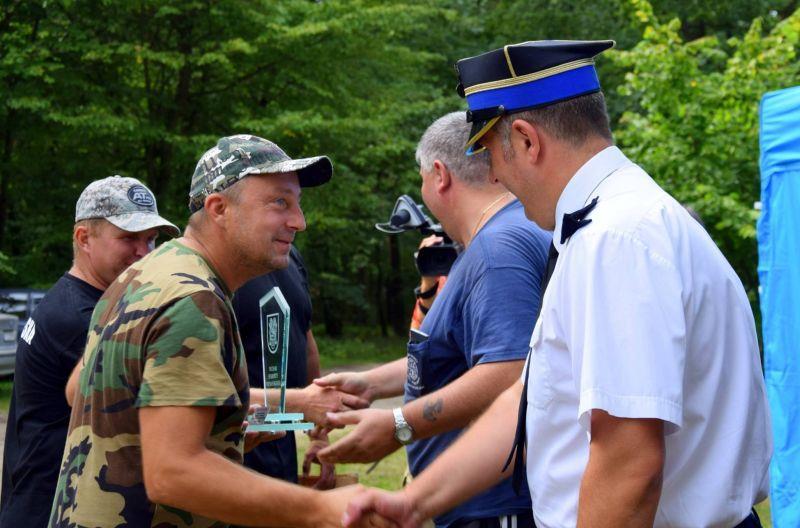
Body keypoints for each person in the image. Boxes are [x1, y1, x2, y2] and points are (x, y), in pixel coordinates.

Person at [343, 40, 772, 528]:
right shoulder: (605, 225)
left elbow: (628, 462)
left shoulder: (617, 239)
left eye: (489, 154)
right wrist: (415, 501)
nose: (496, 177)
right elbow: (528, 396)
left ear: (527, 140)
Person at [48, 135, 382, 528]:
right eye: (280, 203)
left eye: (298, 204)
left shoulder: (147, 273)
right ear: (219, 208)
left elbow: (120, 413)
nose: (299, 222)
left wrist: (226, 436)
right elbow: (173, 473)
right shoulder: (193, 298)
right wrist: (324, 509)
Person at [316, 112, 551, 528]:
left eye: (422, 178)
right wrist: (373, 383)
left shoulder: (498, 249)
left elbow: (509, 371)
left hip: (493, 506)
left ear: (439, 175)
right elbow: (459, 352)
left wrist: (399, 425)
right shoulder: (496, 237)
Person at [0, 176, 179, 528]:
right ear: (84, 238)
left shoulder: (82, 302)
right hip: (52, 509)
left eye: (151, 239)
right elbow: (153, 408)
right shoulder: (79, 318)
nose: (144, 252)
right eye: (129, 238)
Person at [233, 246, 335, 489]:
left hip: (282, 439)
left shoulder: (289, 256)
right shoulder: (212, 269)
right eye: (279, 205)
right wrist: (301, 404)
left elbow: (304, 337)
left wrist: (319, 434)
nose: (298, 221)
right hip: (238, 447)